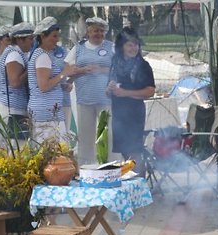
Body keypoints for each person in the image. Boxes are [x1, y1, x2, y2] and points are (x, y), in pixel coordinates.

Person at [64, 17, 115, 164]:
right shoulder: (78, 48)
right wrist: (81, 70)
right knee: (86, 135)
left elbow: (119, 68)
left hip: (106, 99)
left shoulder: (111, 47)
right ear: (88, 32)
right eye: (95, 31)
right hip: (84, 98)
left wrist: (102, 69)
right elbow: (67, 69)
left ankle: (110, 164)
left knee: (108, 134)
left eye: (101, 31)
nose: (98, 34)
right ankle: (86, 166)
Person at [107, 27, 155, 176]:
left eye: (135, 44)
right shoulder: (115, 63)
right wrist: (109, 89)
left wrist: (125, 93)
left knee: (135, 152)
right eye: (129, 44)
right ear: (121, 46)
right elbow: (108, 93)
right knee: (125, 152)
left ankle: (140, 188)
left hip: (134, 115)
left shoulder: (143, 65)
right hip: (118, 115)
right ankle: (131, 185)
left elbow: (150, 91)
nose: (133, 48)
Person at [28, 17, 72, 143]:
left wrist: (61, 84)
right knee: (53, 156)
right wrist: (64, 73)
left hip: (48, 112)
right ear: (43, 36)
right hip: (46, 114)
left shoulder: (42, 54)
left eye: (58, 36)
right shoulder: (42, 56)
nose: (57, 40)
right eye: (54, 36)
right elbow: (44, 86)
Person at [0, 22, 35, 144]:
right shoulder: (14, 55)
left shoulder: (16, 53)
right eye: (30, 38)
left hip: (14, 108)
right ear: (20, 40)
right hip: (12, 110)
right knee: (18, 149)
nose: (33, 42)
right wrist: (31, 69)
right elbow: (15, 82)